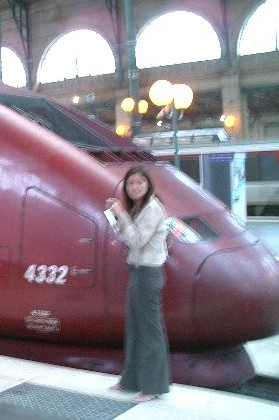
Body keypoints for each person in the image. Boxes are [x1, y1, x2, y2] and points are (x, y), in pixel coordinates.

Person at [105, 165, 170, 403]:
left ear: (147, 184)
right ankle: (130, 380)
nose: (135, 187)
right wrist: (116, 215)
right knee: (134, 328)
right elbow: (124, 236)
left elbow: (137, 241)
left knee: (150, 331)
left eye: (140, 182)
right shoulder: (138, 209)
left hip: (148, 274)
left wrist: (121, 213)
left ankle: (153, 387)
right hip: (137, 272)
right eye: (131, 183)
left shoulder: (152, 209)